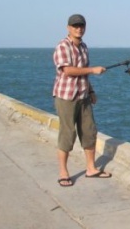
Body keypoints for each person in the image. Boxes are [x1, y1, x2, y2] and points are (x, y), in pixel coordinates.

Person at [52, 14, 110, 187]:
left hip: (83, 96)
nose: (79, 29)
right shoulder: (63, 46)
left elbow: (83, 72)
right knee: (67, 134)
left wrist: (91, 91)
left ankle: (91, 169)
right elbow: (68, 70)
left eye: (81, 26)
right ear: (68, 28)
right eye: (75, 26)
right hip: (66, 97)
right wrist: (93, 70)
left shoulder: (84, 47)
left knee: (89, 132)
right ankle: (63, 172)